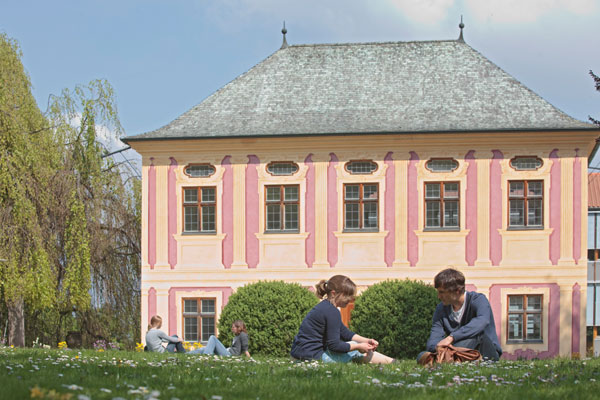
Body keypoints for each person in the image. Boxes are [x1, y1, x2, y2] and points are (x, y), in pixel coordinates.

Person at [291, 275, 395, 364]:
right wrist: (358, 346)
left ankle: (389, 362)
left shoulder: (326, 307)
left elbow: (345, 333)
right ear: (333, 293)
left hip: (301, 354)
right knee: (354, 350)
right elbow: (334, 345)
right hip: (311, 357)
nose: (350, 299)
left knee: (353, 348)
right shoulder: (331, 311)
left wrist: (367, 341)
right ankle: (390, 362)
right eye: (347, 295)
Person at [418, 268, 502, 364]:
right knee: (422, 354)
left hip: (486, 351)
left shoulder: (478, 300)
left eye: (441, 292)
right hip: (455, 348)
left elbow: (482, 321)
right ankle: (447, 357)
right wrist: (437, 348)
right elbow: (435, 336)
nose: (438, 296)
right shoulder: (441, 309)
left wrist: (451, 337)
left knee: (478, 335)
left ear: (457, 290)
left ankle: (445, 358)